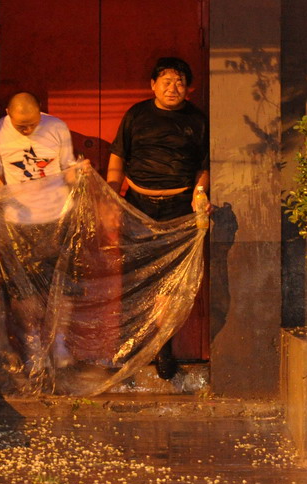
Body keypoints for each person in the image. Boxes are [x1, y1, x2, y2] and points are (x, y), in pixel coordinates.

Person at [106, 57, 211, 379]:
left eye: (179, 82)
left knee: (169, 283)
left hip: (179, 208)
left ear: (189, 88)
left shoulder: (197, 119)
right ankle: (129, 347)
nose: (172, 88)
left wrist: (200, 191)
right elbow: (117, 158)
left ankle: (163, 349)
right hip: (137, 204)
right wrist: (111, 197)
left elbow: (203, 166)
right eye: (165, 81)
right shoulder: (137, 115)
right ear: (153, 85)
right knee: (137, 278)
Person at [0, 92, 77, 373]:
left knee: (62, 285)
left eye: (32, 124)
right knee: (23, 290)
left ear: (40, 113)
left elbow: (68, 171)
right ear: (8, 112)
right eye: (21, 126)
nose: (28, 130)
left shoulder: (56, 126)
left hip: (57, 216)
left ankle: (58, 342)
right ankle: (33, 347)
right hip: (18, 222)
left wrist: (81, 174)